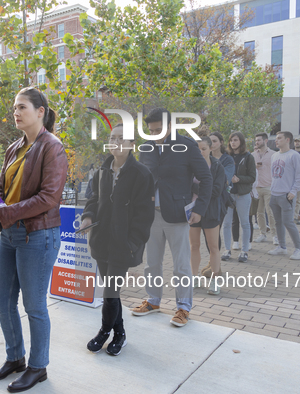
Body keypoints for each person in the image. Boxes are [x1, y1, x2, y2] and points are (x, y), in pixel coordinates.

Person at [0, 87, 68, 392]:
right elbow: (1, 190)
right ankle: (15, 358)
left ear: (40, 112)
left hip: (38, 235)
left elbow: (49, 198)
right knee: (3, 300)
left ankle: (38, 367)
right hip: (10, 234)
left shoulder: (52, 148)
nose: (16, 112)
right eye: (14, 107)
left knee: (34, 305)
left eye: (22, 107)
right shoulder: (13, 148)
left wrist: (7, 212)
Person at [130, 108, 212, 327]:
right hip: (151, 215)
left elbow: (206, 178)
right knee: (152, 263)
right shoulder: (146, 147)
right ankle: (153, 301)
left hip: (177, 215)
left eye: (159, 130)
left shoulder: (186, 145)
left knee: (181, 265)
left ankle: (183, 307)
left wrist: (199, 209)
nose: (155, 135)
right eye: (151, 131)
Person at [80, 124, 155, 356]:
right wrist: (87, 218)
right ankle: (120, 333)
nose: (116, 142)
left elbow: (145, 215)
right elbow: (93, 199)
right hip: (101, 241)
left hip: (123, 245)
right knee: (111, 291)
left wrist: (132, 243)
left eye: (122, 138)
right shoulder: (102, 170)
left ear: (132, 144)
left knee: (110, 291)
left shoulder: (142, 174)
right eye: (113, 138)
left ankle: (104, 331)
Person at [189, 136, 227, 295]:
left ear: (210, 149)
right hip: (193, 210)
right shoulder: (189, 166)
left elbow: (216, 191)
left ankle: (214, 281)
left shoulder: (217, 166)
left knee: (213, 247)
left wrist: (196, 188)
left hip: (211, 211)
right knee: (194, 246)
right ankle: (194, 277)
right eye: (197, 149)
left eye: (203, 149)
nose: (200, 152)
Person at [268, 131, 300, 260]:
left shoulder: (294, 155)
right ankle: (282, 247)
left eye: (279, 138)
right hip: (274, 194)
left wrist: (294, 191)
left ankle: (299, 249)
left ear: (287, 140)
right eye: (276, 138)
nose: (276, 140)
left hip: (286, 195)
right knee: (278, 222)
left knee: (288, 222)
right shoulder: (275, 156)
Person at [221, 132, 256, 263]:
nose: (232, 143)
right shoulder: (226, 156)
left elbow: (252, 177)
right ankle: (227, 249)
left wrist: (239, 179)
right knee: (227, 223)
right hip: (228, 194)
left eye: (235, 140)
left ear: (241, 141)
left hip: (243, 194)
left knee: (245, 222)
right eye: (231, 140)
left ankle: (244, 251)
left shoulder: (248, 157)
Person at [252, 133, 277, 245]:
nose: (256, 142)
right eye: (256, 140)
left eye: (259, 140)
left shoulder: (273, 154)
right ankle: (263, 234)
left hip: (269, 187)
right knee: (259, 213)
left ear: (265, 140)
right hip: (257, 187)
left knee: (270, 212)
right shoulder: (252, 155)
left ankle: (275, 235)